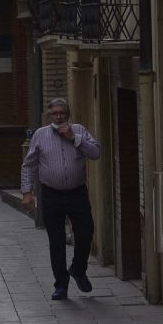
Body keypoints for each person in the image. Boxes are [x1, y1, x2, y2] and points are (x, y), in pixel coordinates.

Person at [20, 98, 101, 300]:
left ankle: (78, 270)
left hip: (77, 193)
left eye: (61, 113)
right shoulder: (40, 135)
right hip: (51, 194)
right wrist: (27, 193)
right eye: (54, 113)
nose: (58, 116)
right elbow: (29, 165)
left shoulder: (79, 130)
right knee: (56, 241)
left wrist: (74, 138)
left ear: (68, 114)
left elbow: (95, 153)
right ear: (49, 116)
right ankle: (61, 285)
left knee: (85, 233)